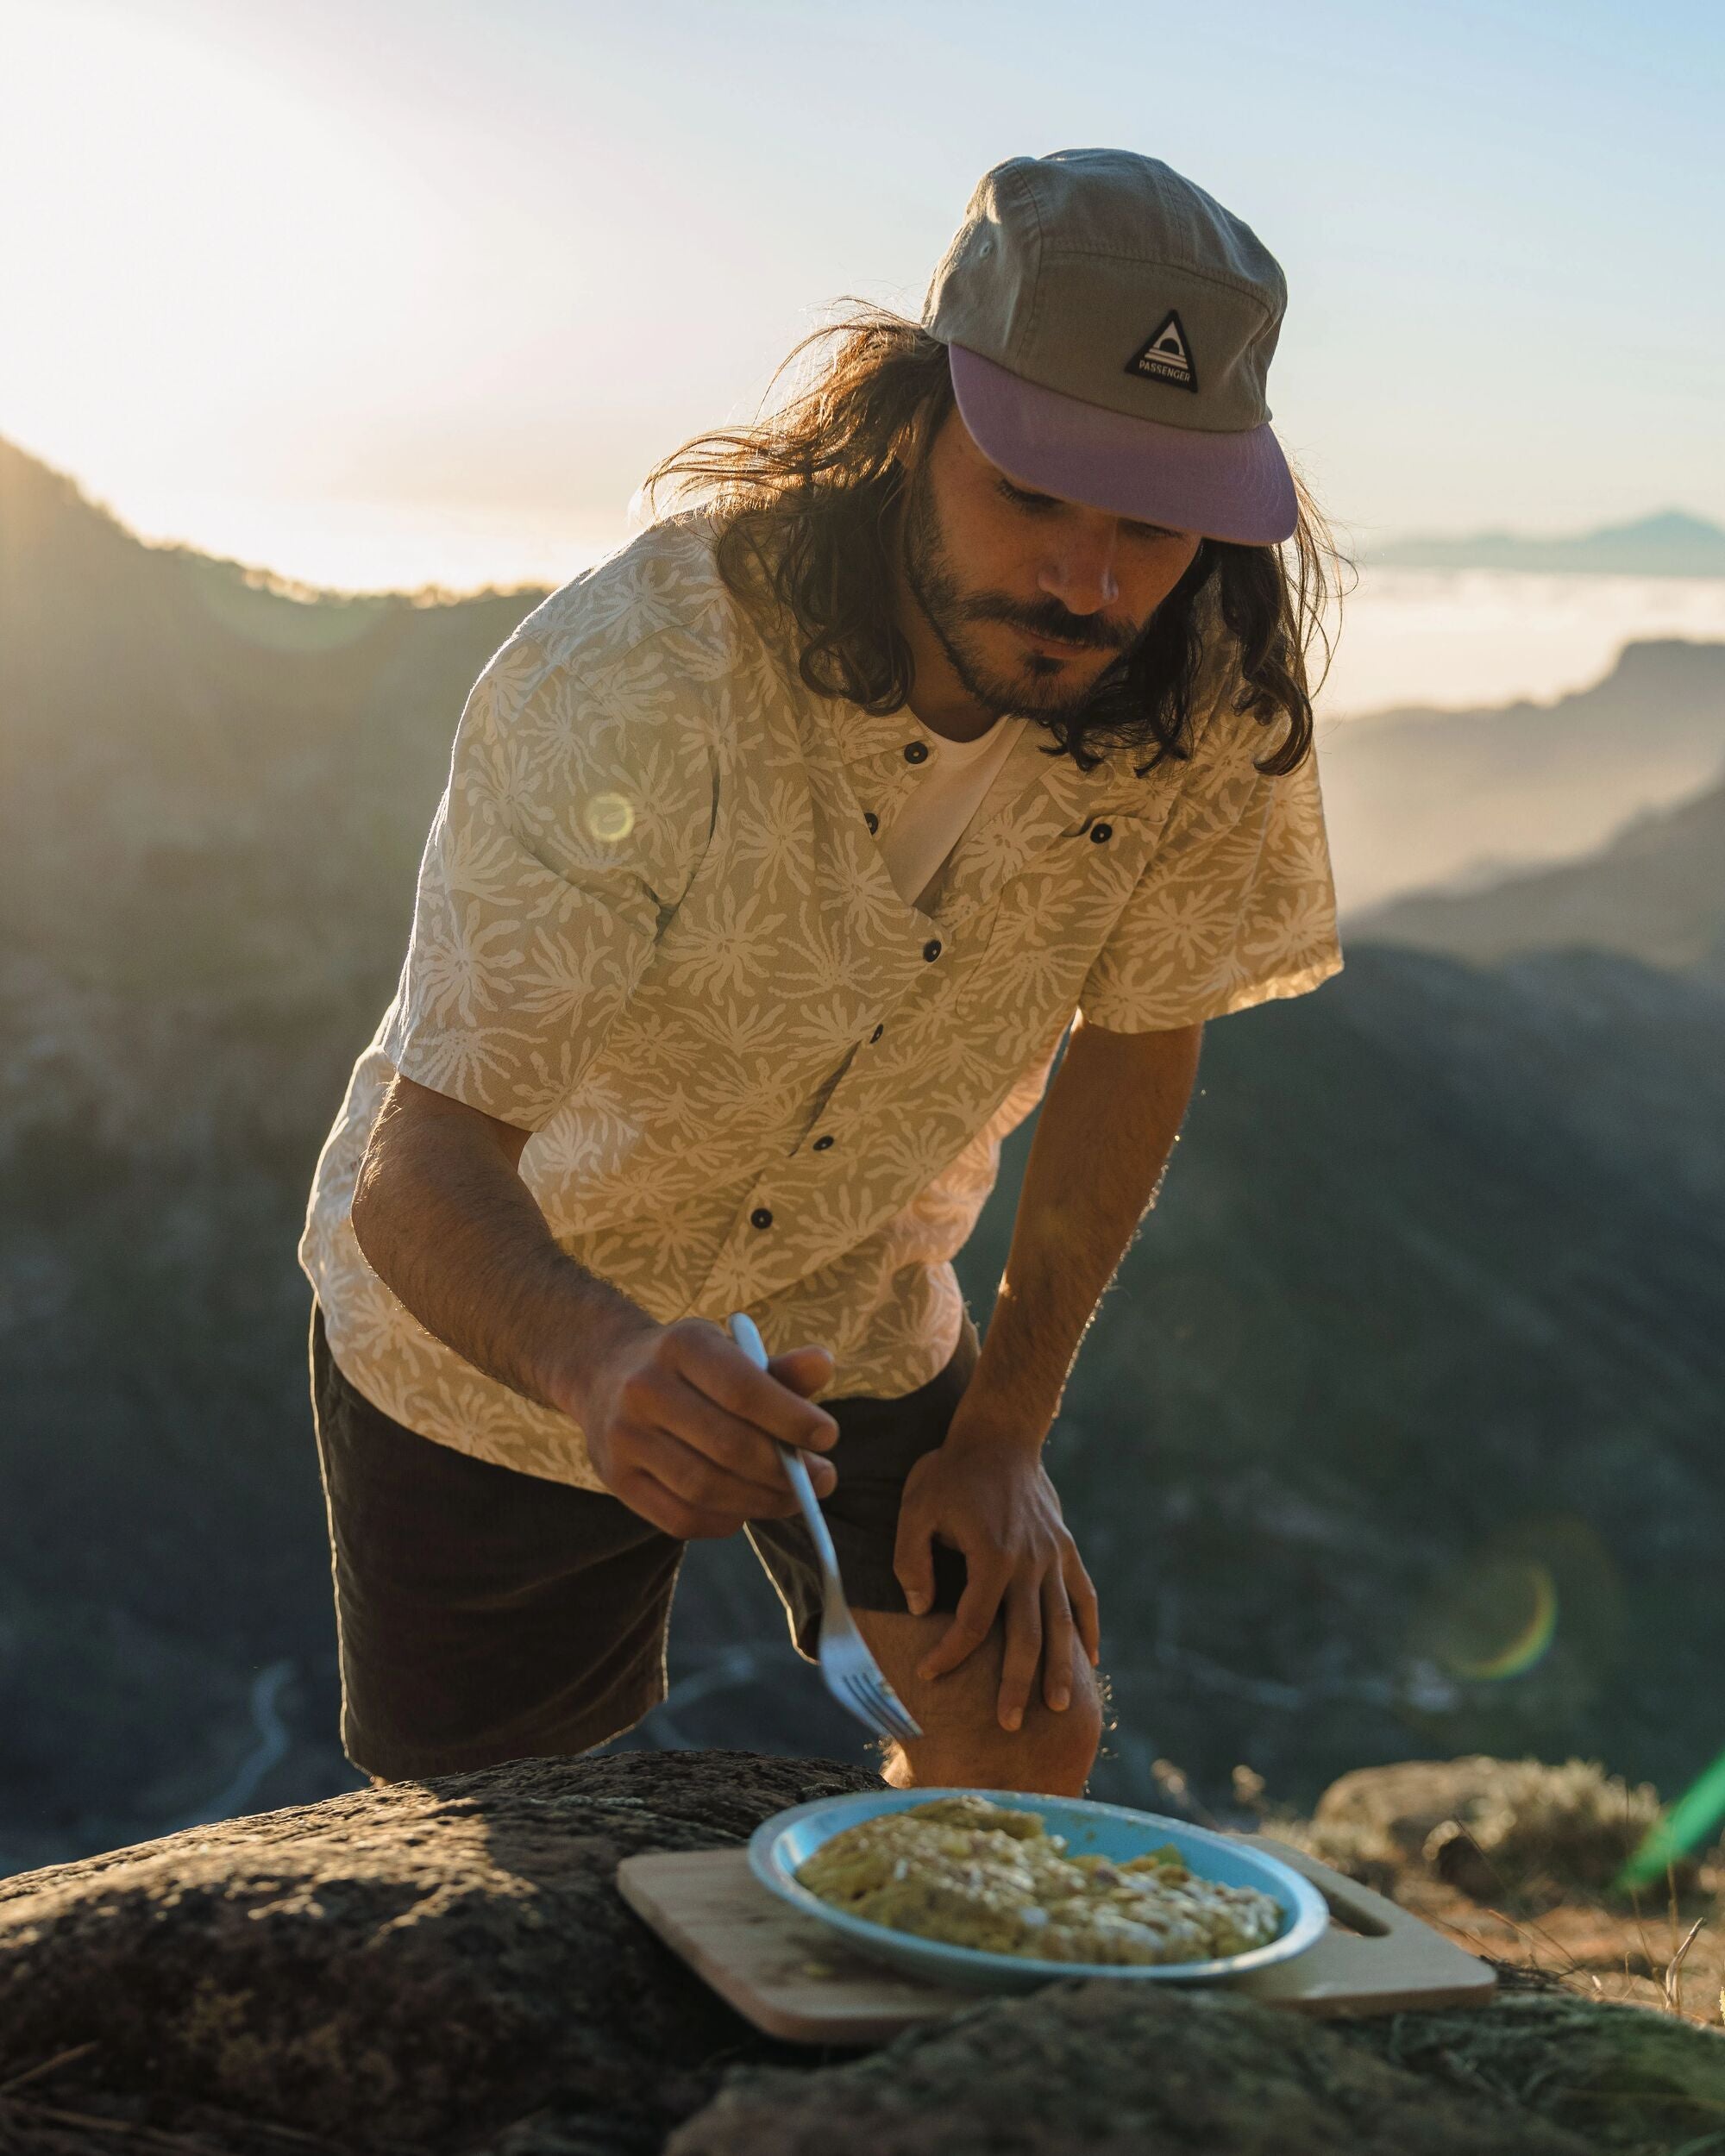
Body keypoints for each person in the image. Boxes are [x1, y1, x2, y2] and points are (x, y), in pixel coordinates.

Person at [298, 147, 1344, 1797]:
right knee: (508, 1843)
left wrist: (1002, 1432)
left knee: (1025, 1735)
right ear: (909, 428)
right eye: (1033, 495)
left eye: (1152, 527)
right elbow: (413, 1176)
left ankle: (916, 2056)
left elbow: (1137, 1050)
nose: (1088, 583)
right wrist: (600, 1362)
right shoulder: (637, 670)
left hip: (860, 1296)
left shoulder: (1205, 704)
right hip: (508, 1333)